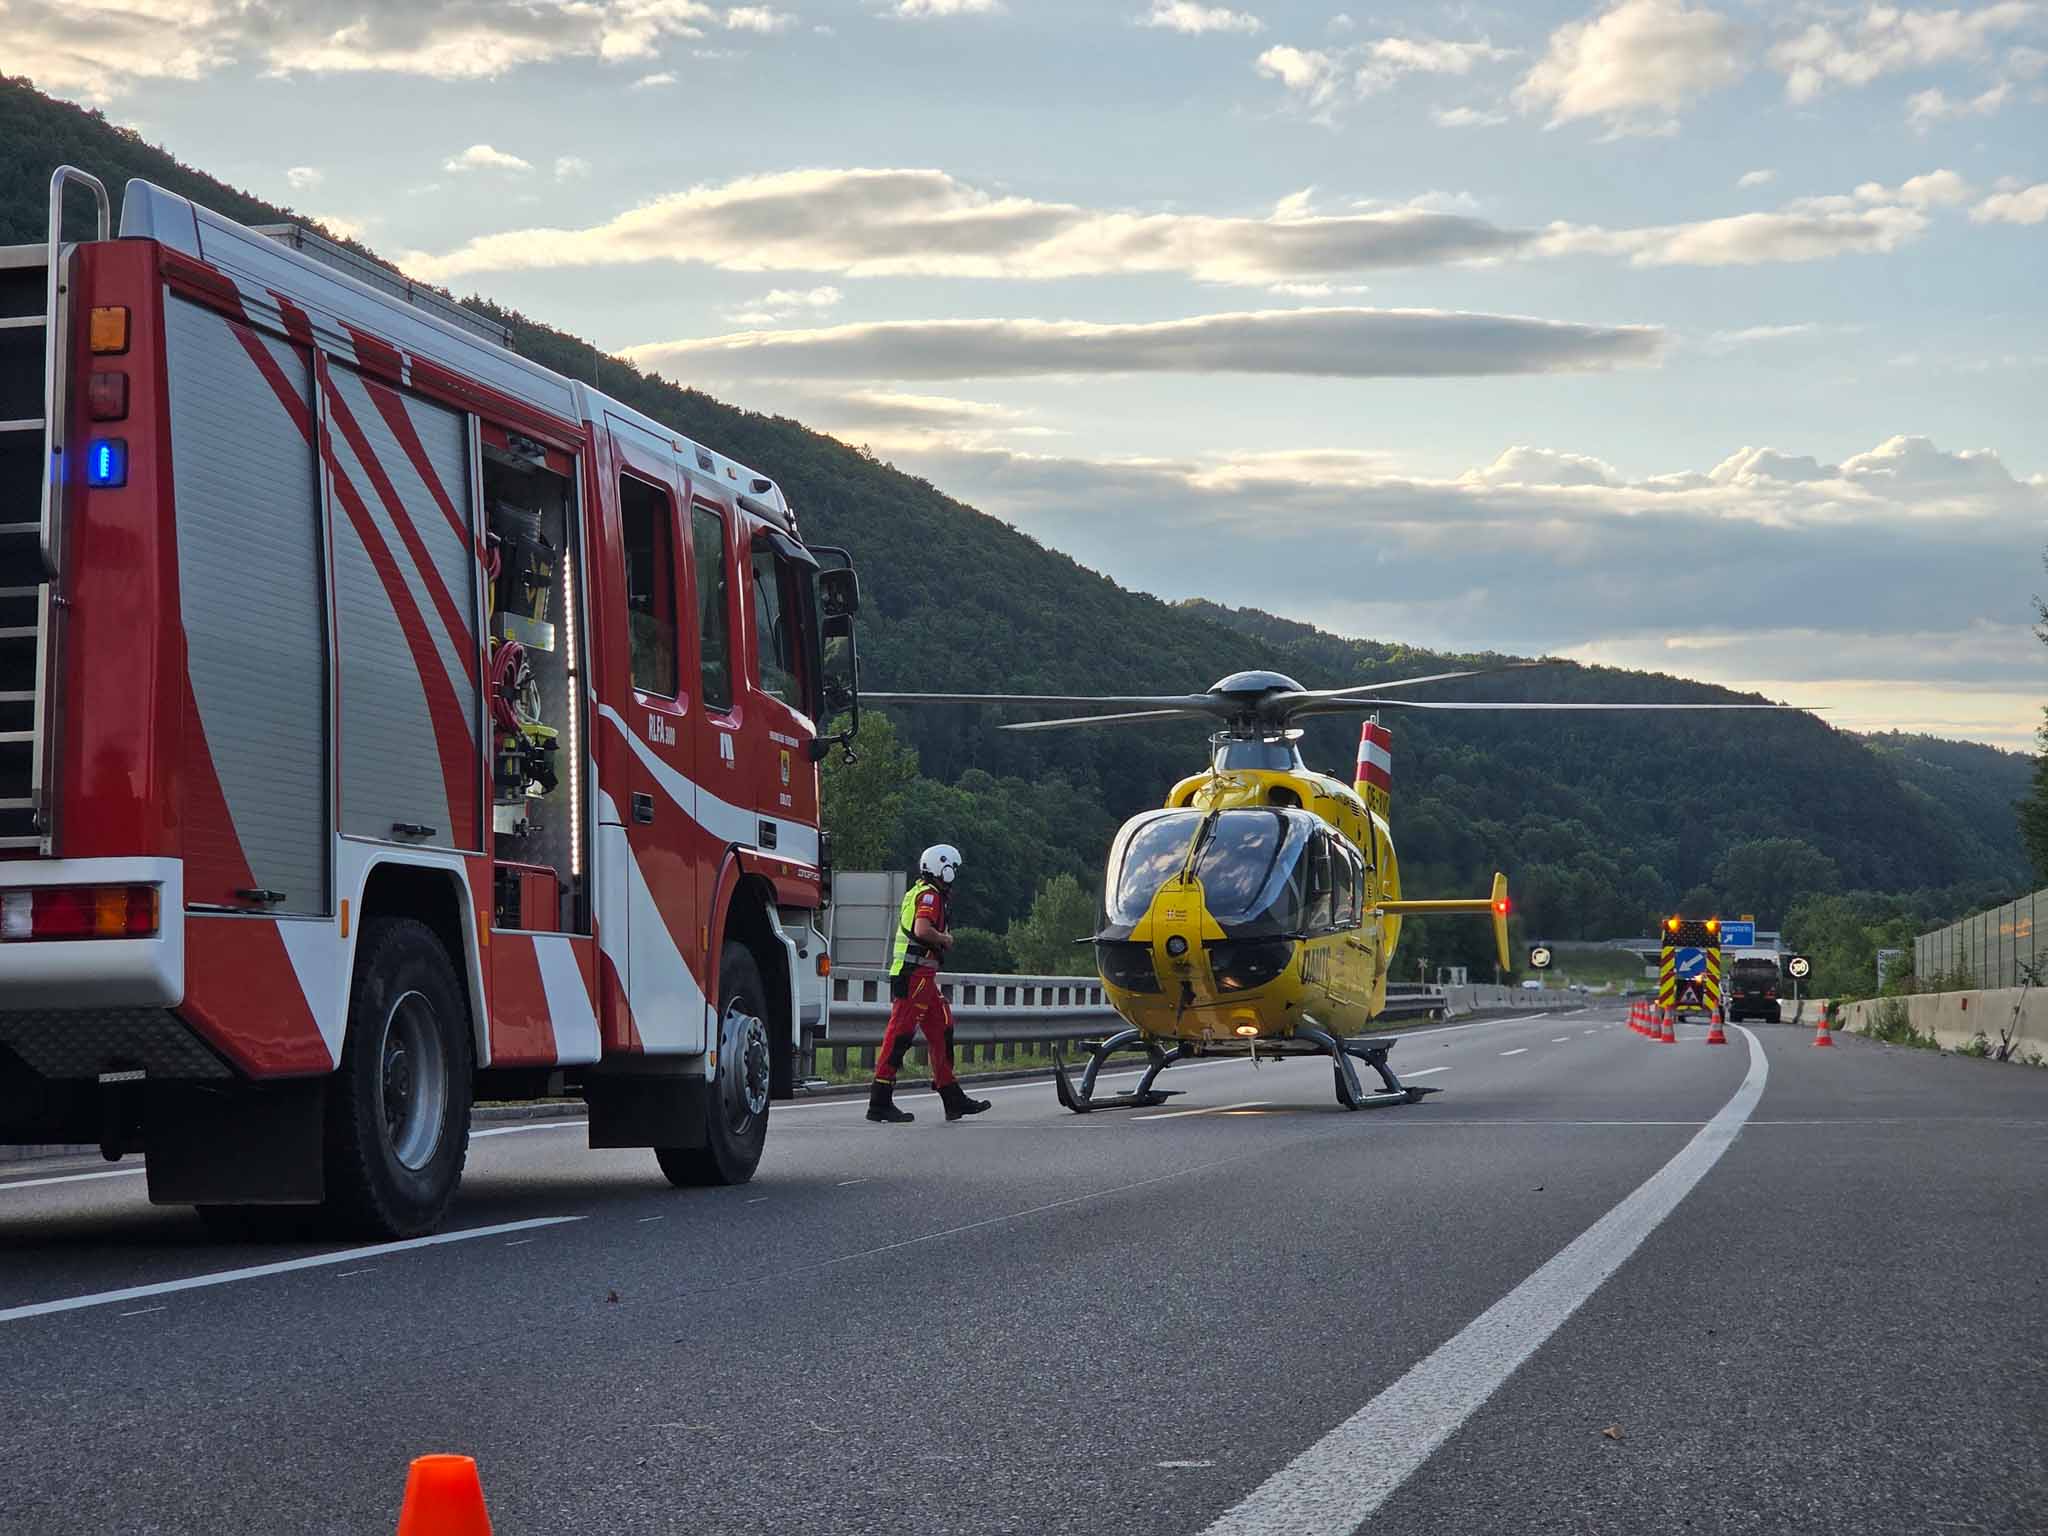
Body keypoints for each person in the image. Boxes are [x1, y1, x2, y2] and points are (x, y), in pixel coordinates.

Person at [867, 844, 992, 1124]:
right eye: (953, 869)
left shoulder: (923, 891)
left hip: (922, 976)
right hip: (914, 976)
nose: (954, 875)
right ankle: (880, 1100)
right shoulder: (930, 897)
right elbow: (923, 930)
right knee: (900, 1035)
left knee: (942, 1028)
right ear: (943, 868)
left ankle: (952, 1097)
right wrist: (945, 939)